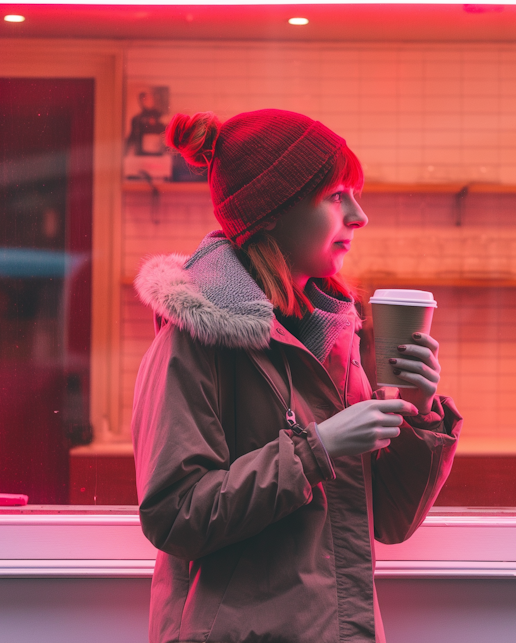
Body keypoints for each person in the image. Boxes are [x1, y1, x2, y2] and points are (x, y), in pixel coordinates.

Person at [132, 109, 462, 643]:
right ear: (274, 212)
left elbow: (389, 523)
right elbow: (175, 517)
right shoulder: (192, 342)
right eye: (336, 195)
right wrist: (316, 449)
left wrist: (421, 413)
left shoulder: (336, 336)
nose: (359, 216)